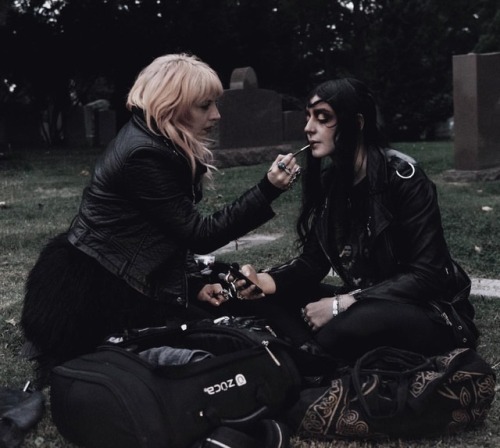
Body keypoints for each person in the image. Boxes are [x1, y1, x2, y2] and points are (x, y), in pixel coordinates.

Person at [20, 53, 301, 385]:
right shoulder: (144, 154)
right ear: (173, 106)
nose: (216, 115)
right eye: (204, 106)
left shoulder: (154, 140)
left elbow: (162, 236)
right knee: (221, 330)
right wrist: (267, 189)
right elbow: (199, 235)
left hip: (113, 277)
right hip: (90, 293)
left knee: (240, 301)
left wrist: (194, 285)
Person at [236, 77, 479, 364]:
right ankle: (309, 353)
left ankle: (308, 361)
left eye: (323, 118)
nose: (308, 128)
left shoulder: (404, 178)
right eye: (308, 117)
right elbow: (313, 262)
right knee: (271, 299)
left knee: (354, 321)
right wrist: (264, 281)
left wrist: (343, 304)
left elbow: (427, 276)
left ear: (357, 123)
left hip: (427, 311)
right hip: (365, 300)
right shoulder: (332, 182)